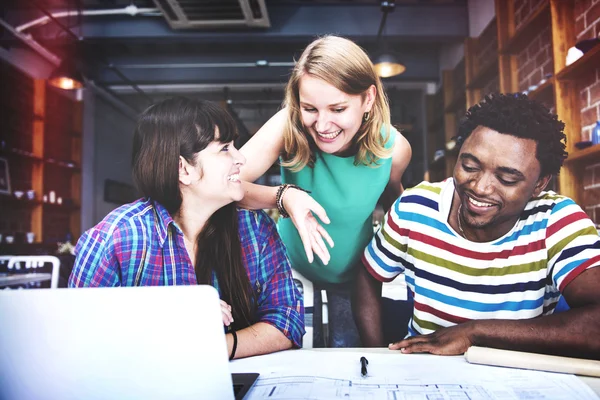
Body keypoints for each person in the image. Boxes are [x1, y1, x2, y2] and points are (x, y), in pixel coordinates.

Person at [355, 93, 600, 359]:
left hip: (516, 378)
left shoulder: (556, 220)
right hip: (422, 372)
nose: (480, 188)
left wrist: (473, 333)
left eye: (506, 178)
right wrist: (377, 354)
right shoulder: (415, 207)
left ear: (540, 183)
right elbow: (367, 275)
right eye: (470, 166)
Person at [69, 97, 305, 360]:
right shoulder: (115, 239)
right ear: (183, 169)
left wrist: (209, 346)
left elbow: (288, 321)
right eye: (225, 148)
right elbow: (78, 340)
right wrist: (178, 318)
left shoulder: (256, 228)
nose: (241, 158)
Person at [238, 35, 412, 347]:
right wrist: (284, 196)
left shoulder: (395, 149)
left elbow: (395, 205)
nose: (322, 124)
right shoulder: (288, 126)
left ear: (368, 99)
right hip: (289, 270)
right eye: (310, 108)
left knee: (349, 361)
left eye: (338, 108)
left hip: (355, 277)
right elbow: (224, 186)